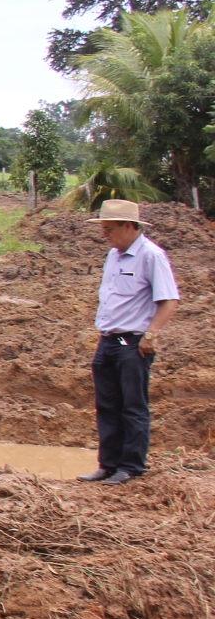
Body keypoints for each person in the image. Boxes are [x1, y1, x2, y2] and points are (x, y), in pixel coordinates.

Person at [79, 200, 179, 486]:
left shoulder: (151, 256)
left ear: (128, 226)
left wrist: (151, 334)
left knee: (133, 406)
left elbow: (169, 300)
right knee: (107, 405)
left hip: (133, 343)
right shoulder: (113, 255)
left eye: (109, 229)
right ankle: (107, 465)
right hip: (108, 340)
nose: (105, 234)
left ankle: (131, 466)